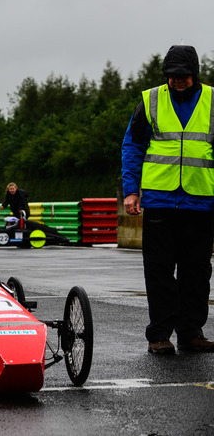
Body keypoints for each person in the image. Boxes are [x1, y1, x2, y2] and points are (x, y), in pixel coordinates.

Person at [121, 44, 214, 355]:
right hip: (160, 202)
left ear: (195, 75)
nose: (177, 81)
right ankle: (159, 335)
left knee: (197, 271)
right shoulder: (150, 100)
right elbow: (132, 147)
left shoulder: (213, 101)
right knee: (158, 270)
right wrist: (131, 190)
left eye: (183, 76)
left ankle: (191, 332)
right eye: (172, 76)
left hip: (201, 202)